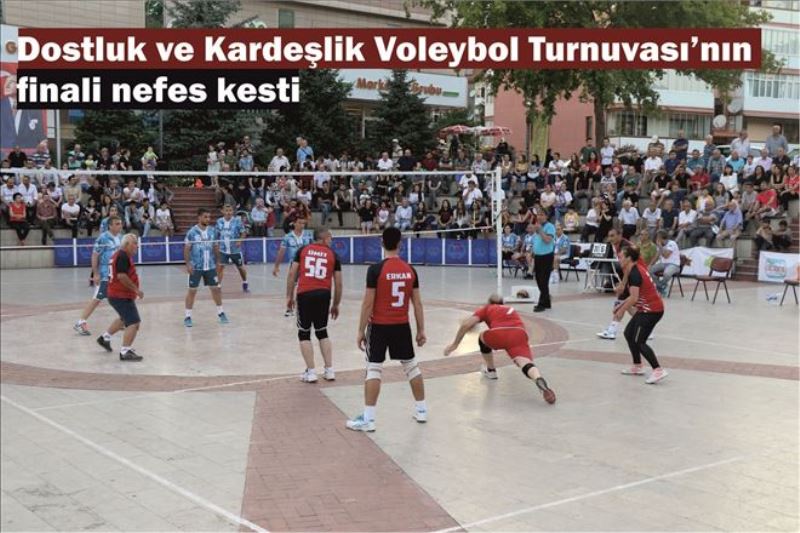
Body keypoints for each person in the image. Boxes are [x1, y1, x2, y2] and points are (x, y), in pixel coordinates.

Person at [346, 227, 427, 432]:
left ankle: (369, 419)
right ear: (400, 244)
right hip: (402, 325)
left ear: (382, 243)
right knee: (411, 367)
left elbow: (367, 303)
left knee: (373, 368)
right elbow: (417, 303)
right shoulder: (410, 270)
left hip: (379, 326)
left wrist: (360, 330)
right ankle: (422, 410)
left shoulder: (375, 270)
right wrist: (421, 330)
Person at [443, 294, 556, 404]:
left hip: (499, 334)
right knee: (525, 363)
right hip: (519, 334)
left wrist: (454, 345)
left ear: (489, 302)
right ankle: (539, 379)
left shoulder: (487, 308)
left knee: (482, 338)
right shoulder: (510, 309)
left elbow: (466, 325)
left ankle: (491, 370)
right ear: (502, 303)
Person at [286, 227, 343, 383]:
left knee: (304, 332)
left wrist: (289, 296)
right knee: (322, 331)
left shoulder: (302, 250)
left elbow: (292, 274)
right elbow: (338, 283)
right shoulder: (333, 255)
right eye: (330, 238)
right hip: (324, 294)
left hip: (305, 294)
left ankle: (311, 372)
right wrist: (336, 304)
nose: (331, 240)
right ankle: (329, 370)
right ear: (323, 238)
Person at [616, 246, 668, 384]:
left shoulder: (635, 273)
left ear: (629, 258)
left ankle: (658, 370)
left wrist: (621, 311)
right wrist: (620, 306)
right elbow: (633, 297)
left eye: (621, 256)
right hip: (646, 309)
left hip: (651, 311)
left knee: (639, 341)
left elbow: (634, 298)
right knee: (629, 333)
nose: (619, 258)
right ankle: (637, 366)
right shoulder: (634, 268)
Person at [73, 216, 123, 335]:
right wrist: (95, 273)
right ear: (110, 226)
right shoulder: (103, 238)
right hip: (105, 274)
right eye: (117, 224)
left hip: (116, 273)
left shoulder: (120, 237)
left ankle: (122, 320)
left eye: (120, 223)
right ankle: (80, 322)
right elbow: (95, 255)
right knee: (97, 298)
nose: (120, 226)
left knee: (119, 296)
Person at [98, 233, 144, 361]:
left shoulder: (119, 255)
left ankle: (105, 338)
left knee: (124, 318)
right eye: (135, 243)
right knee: (134, 322)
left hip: (116, 294)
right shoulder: (122, 256)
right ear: (127, 244)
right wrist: (136, 290)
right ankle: (125, 351)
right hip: (120, 295)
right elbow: (122, 276)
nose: (137, 246)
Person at [184, 208, 227, 327]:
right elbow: (187, 249)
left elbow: (216, 247)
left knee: (216, 289)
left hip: (210, 266)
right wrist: (188, 264)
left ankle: (221, 313)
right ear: (199, 217)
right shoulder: (192, 232)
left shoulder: (213, 231)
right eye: (205, 217)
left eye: (209, 217)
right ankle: (187, 316)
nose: (208, 219)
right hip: (196, 267)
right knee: (192, 291)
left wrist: (218, 261)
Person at [273, 217, 312, 316]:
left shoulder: (308, 236)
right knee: (290, 286)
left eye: (303, 223)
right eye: (299, 223)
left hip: (306, 265)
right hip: (293, 264)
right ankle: (289, 308)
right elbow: (281, 252)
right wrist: (276, 266)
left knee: (307, 287)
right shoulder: (287, 237)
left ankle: (306, 308)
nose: (302, 225)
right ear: (294, 223)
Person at [216, 204, 249, 293]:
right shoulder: (219, 221)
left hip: (235, 250)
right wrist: (216, 244)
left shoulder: (237, 221)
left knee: (240, 267)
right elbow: (216, 234)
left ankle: (245, 282)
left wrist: (240, 241)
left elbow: (243, 233)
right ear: (223, 211)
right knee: (220, 267)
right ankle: (218, 285)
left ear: (233, 211)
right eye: (226, 211)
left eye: (230, 210)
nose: (228, 212)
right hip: (223, 249)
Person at [532, 211, 556, 312]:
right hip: (538, 256)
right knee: (538, 279)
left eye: (541, 215)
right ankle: (547, 301)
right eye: (538, 215)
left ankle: (541, 303)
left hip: (546, 256)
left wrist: (540, 230)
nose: (539, 217)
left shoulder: (550, 227)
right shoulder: (538, 226)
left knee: (543, 280)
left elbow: (547, 240)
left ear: (546, 216)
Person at [649, 230, 681, 296]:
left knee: (666, 273)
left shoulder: (672, 243)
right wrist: (650, 265)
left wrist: (660, 246)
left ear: (660, 238)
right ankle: (660, 286)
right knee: (648, 271)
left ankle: (660, 286)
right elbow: (656, 256)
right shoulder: (660, 245)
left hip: (674, 264)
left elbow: (666, 255)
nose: (656, 239)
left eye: (657, 238)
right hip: (663, 264)